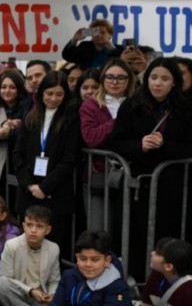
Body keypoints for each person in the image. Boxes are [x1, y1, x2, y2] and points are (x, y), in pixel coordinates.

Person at [109, 57, 192, 279]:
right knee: (134, 237)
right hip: (137, 185)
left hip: (171, 187)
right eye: (153, 77)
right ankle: (135, 283)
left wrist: (164, 145)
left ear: (174, 82)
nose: (158, 83)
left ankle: (164, 284)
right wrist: (140, 145)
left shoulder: (185, 109)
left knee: (166, 237)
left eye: (165, 79)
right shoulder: (132, 105)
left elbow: (188, 146)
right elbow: (116, 141)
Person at [13, 71, 80, 258]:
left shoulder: (70, 119)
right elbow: (18, 153)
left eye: (59, 94)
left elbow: (69, 159)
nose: (53, 98)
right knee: (27, 245)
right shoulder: (31, 116)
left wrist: (45, 187)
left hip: (56, 194)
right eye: (49, 93)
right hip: (28, 192)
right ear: (41, 93)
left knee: (53, 248)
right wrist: (29, 184)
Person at [79, 58, 135, 240]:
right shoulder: (91, 105)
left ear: (129, 80)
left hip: (132, 176)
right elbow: (91, 138)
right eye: (110, 77)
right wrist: (119, 121)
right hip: (100, 174)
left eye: (121, 78)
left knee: (127, 230)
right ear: (103, 79)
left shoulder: (137, 104)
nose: (114, 81)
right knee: (99, 231)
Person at [0, 205, 61, 306]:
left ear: (48, 230)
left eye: (39, 226)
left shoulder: (53, 248)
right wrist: (30, 290)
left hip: (40, 298)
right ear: (24, 226)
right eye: (29, 225)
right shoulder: (12, 245)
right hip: (18, 294)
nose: (33, 230)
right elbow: (5, 278)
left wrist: (51, 295)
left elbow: (54, 280)